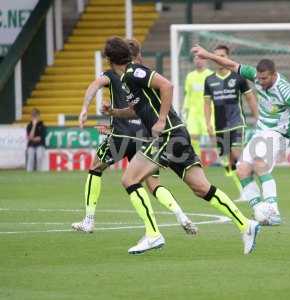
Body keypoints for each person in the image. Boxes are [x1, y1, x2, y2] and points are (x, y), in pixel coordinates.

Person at [102, 36, 261, 255]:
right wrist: (114, 112)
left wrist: (160, 120)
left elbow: (167, 85)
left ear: (109, 59)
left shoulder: (133, 72)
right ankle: (246, 225)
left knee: (129, 179)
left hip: (167, 135)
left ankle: (152, 234)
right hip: (177, 134)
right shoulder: (128, 79)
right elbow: (137, 109)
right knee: (201, 188)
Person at [192, 44, 290, 226]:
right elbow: (232, 65)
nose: (261, 81)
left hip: (278, 135)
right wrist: (208, 55)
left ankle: (273, 212)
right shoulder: (257, 78)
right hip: (261, 132)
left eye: (265, 78)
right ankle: (260, 211)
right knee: (242, 169)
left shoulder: (286, 91)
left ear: (274, 75)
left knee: (259, 163)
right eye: (259, 78)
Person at [71, 38, 197, 235]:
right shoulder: (143, 73)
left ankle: (89, 220)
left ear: (111, 59)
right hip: (145, 135)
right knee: (152, 183)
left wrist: (84, 109)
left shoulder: (114, 74)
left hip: (121, 135)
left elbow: (95, 84)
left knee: (96, 168)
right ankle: (181, 215)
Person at [203, 45, 258, 196]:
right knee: (229, 162)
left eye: (223, 55)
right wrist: (207, 123)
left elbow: (250, 98)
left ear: (228, 58)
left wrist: (258, 118)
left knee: (236, 154)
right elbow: (207, 104)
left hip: (236, 123)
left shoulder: (238, 77)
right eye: (216, 56)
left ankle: (250, 188)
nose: (220, 58)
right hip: (220, 126)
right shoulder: (209, 80)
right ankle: (243, 190)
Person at [182, 56, 213, 156]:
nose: (198, 61)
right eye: (196, 59)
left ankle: (227, 164)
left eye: (201, 58)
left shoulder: (211, 75)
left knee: (213, 138)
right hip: (193, 113)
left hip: (208, 113)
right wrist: (185, 110)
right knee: (193, 137)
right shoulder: (190, 76)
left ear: (206, 60)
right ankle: (197, 160)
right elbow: (188, 95)